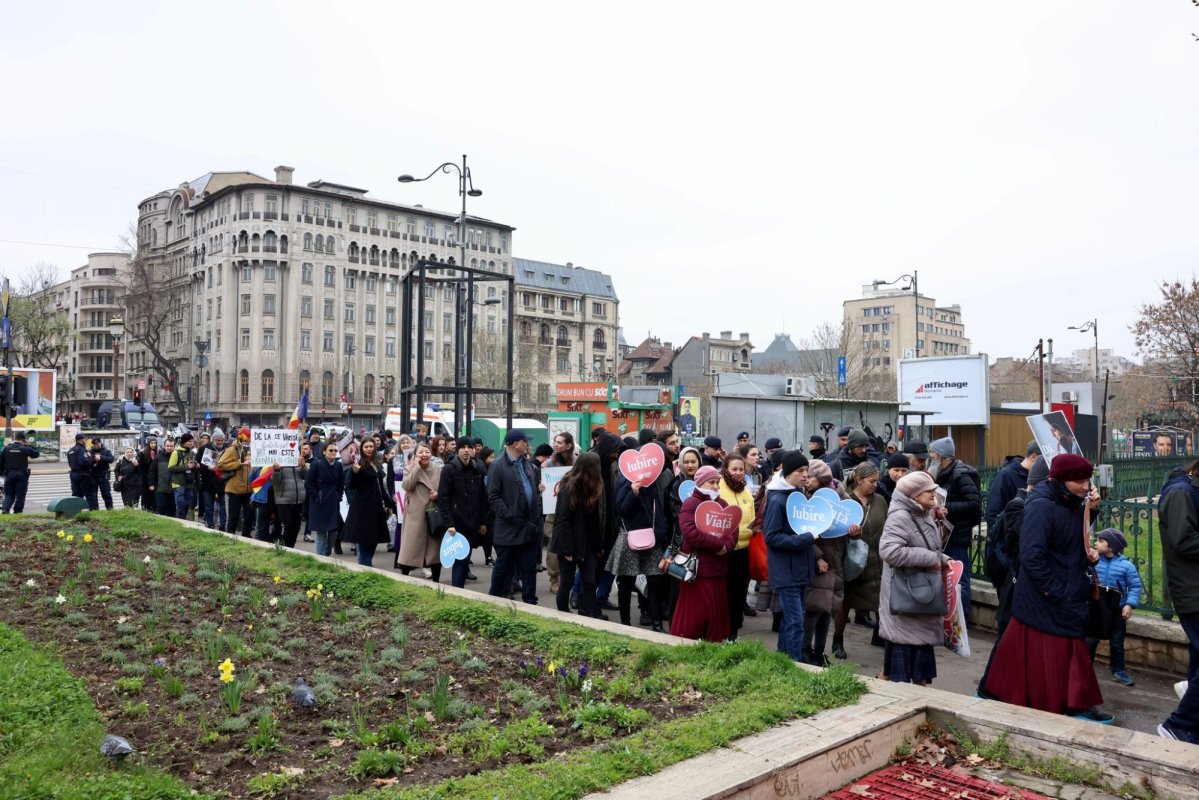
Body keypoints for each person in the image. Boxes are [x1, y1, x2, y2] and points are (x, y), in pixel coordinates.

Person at [984, 454, 1114, 723]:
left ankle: (1076, 702)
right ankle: (1061, 703)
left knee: (1072, 648)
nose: (1085, 485)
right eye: (1079, 480)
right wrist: (1054, 590)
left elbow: (1071, 538)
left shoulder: (1071, 501)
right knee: (1051, 652)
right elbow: (1032, 555)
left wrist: (1092, 510)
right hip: (1045, 595)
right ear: (1060, 479)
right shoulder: (1042, 505)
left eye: (1087, 479)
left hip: (1068, 589)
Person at [877, 471, 952, 685]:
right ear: (914, 495)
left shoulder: (924, 513)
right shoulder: (901, 516)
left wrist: (945, 559)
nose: (934, 494)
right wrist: (930, 559)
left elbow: (929, 546)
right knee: (904, 666)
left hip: (920, 597)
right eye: (928, 491)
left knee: (917, 666)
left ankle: (917, 700)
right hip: (908, 598)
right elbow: (890, 552)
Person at [1156, 460, 1199, 742]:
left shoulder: (1189, 489)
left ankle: (1190, 695)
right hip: (1192, 591)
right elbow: (1183, 541)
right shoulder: (1181, 492)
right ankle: (1179, 726)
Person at [671, 465, 739, 640]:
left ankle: (712, 644)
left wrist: (727, 546)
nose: (716, 486)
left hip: (718, 568)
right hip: (697, 570)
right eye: (711, 482)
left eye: (717, 482)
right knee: (697, 613)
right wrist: (719, 546)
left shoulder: (722, 504)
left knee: (716, 611)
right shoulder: (691, 503)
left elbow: (733, 530)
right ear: (701, 483)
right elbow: (690, 532)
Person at [763, 451, 818, 661]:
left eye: (807, 471)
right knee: (796, 621)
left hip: (799, 569)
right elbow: (772, 537)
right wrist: (807, 538)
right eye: (800, 471)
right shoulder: (778, 500)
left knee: (791, 620)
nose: (805, 475)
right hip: (786, 571)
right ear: (787, 473)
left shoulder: (797, 495)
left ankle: (782, 661)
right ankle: (796, 665)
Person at [608, 456, 670, 631]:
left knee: (655, 582)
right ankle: (625, 623)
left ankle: (657, 624)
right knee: (625, 583)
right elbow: (622, 510)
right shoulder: (623, 481)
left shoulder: (653, 482)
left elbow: (659, 511)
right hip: (629, 538)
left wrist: (660, 533)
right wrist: (633, 492)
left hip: (652, 539)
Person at [834, 462, 888, 659]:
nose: (875, 485)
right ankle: (837, 640)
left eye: (877, 481)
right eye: (871, 481)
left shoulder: (880, 501)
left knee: (881, 601)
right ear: (858, 479)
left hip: (878, 560)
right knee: (846, 602)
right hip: (852, 561)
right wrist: (853, 536)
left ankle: (882, 636)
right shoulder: (846, 501)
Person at [487, 430, 543, 604]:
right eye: (525, 441)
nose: (528, 445)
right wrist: (509, 514)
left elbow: (531, 489)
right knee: (503, 567)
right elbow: (493, 496)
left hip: (529, 526)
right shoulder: (498, 465)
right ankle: (494, 600)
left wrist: (535, 518)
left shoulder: (527, 464)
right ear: (516, 444)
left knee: (529, 568)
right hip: (509, 527)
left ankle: (530, 602)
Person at [927, 437, 981, 614]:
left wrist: (949, 508)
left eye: (933, 454)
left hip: (956, 535)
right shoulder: (941, 473)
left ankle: (961, 619)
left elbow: (974, 505)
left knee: (958, 579)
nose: (930, 457)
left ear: (943, 457)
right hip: (943, 534)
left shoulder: (961, 475)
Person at [550, 452, 606, 618]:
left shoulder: (593, 485)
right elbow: (563, 519)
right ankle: (563, 615)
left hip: (586, 542)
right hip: (569, 542)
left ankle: (589, 613)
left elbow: (594, 521)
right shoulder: (569, 486)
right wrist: (567, 549)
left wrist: (598, 545)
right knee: (566, 582)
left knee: (589, 580)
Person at [1084, 528, 1142, 687]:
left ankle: (1118, 671)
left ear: (1111, 547)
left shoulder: (1127, 566)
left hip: (1116, 609)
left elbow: (1135, 586)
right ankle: (1085, 669)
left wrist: (1129, 604)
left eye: (1101, 541)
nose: (1096, 543)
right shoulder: (1094, 561)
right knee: (1090, 640)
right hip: (1096, 608)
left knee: (1116, 642)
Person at [438, 437, 488, 588]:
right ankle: (457, 592)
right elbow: (443, 498)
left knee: (465, 559)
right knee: (460, 560)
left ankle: (459, 591)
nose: (466, 450)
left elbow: (482, 497)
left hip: (473, 521)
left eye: (469, 447)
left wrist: (483, 521)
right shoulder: (449, 469)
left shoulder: (478, 468)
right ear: (457, 449)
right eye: (463, 447)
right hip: (457, 523)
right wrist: (449, 523)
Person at [719, 454, 758, 639]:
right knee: (723, 593)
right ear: (725, 469)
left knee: (739, 592)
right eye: (733, 469)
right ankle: (720, 630)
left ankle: (733, 632)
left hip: (743, 549)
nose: (737, 473)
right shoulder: (718, 488)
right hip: (723, 550)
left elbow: (751, 517)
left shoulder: (746, 491)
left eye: (741, 469)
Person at [344, 437, 396, 567]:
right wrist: (355, 473)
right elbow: (350, 486)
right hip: (362, 508)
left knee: (373, 541)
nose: (369, 449)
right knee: (363, 542)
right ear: (362, 448)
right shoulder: (357, 464)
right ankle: (365, 568)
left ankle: (366, 565)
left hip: (376, 507)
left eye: (371, 446)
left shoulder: (377, 463)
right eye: (366, 447)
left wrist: (389, 504)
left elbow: (380, 487)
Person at [986, 441, 1040, 533]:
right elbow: (993, 514)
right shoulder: (1006, 475)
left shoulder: (1041, 476)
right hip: (1010, 538)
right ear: (1033, 457)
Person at [305, 441, 345, 557]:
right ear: (324, 452)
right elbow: (308, 483)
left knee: (334, 531)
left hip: (333, 502)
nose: (333, 452)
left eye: (335, 451)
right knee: (321, 532)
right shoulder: (317, 465)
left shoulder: (338, 465)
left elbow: (341, 483)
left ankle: (326, 553)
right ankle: (321, 557)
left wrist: (339, 495)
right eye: (330, 450)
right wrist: (316, 496)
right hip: (320, 502)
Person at [217, 428, 254, 536]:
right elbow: (220, 465)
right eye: (246, 440)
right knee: (234, 516)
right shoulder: (232, 450)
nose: (248, 442)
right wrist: (239, 463)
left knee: (249, 515)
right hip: (235, 489)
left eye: (249, 440)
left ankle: (246, 536)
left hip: (249, 489)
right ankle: (230, 536)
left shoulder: (253, 449)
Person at [272, 453, 308, 548]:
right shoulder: (276, 461)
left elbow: (307, 477)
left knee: (296, 527)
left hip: (298, 500)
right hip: (284, 501)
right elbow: (275, 482)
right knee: (288, 527)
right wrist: (276, 470)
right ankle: (284, 548)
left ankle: (290, 548)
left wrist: (303, 466)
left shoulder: (297, 462)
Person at [197, 428, 228, 530]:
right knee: (209, 505)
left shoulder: (227, 449)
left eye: (221, 440)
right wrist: (207, 468)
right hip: (208, 481)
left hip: (223, 481)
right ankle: (210, 524)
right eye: (217, 440)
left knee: (223, 506)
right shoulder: (203, 448)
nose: (220, 442)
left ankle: (223, 525)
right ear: (213, 440)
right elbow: (197, 465)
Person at [0, 431, 39, 513]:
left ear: (15, 439)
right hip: (21, 475)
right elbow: (36, 454)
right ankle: (17, 511)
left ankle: (5, 509)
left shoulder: (6, 448)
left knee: (9, 494)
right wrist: (30, 445)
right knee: (20, 494)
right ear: (23, 440)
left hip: (9, 475)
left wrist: (2, 473)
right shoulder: (25, 448)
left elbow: (1, 462)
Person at [168, 432, 197, 520]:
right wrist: (186, 466)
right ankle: (181, 522)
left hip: (188, 482)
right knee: (180, 504)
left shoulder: (191, 452)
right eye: (189, 441)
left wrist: (195, 465)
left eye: (192, 441)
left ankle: (183, 520)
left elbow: (191, 466)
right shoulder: (176, 452)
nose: (191, 443)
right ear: (184, 442)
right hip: (178, 482)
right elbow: (171, 468)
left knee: (187, 505)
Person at [150, 438, 177, 517]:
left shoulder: (177, 457)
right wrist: (151, 483)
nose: (169, 448)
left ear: (174, 447)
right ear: (164, 446)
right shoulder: (158, 458)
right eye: (167, 446)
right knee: (161, 508)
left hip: (174, 488)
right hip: (160, 488)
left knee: (172, 509)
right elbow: (152, 471)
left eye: (171, 446)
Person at [66, 433, 90, 502]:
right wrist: (91, 460)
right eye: (85, 439)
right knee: (89, 494)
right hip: (82, 474)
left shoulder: (71, 450)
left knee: (76, 495)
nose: (85, 441)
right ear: (82, 440)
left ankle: (75, 511)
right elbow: (83, 462)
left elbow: (70, 462)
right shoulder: (81, 449)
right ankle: (92, 511)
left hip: (73, 474)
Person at [139, 438, 159, 512]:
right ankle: (145, 510)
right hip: (145, 479)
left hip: (155, 478)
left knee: (154, 496)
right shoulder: (143, 454)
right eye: (152, 443)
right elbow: (141, 468)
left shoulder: (157, 453)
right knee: (146, 496)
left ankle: (154, 510)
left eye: (155, 443)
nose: (153, 445)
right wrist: (148, 477)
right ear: (148, 444)